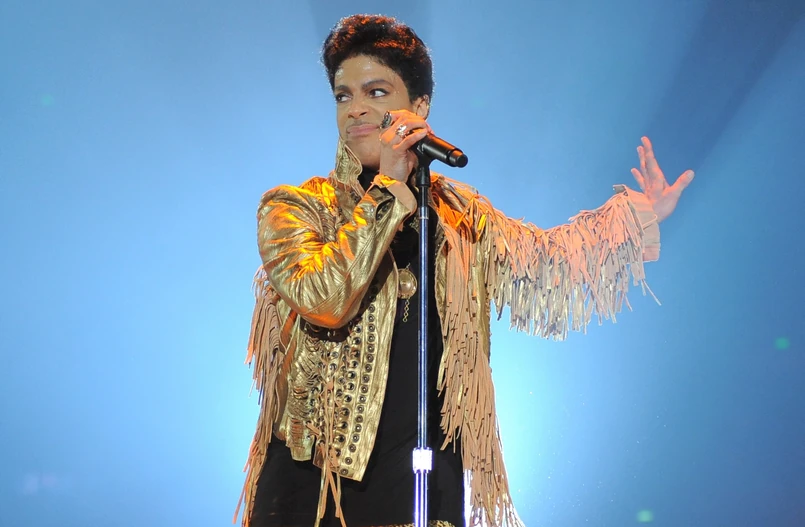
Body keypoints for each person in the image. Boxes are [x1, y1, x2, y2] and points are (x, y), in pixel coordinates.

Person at [234, 13, 695, 527]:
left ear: (419, 108)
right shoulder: (296, 207)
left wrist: (637, 217)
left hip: (424, 480)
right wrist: (388, 191)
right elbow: (322, 298)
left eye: (376, 92)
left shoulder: (458, 214)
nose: (356, 108)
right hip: (317, 486)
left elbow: (544, 266)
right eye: (344, 96)